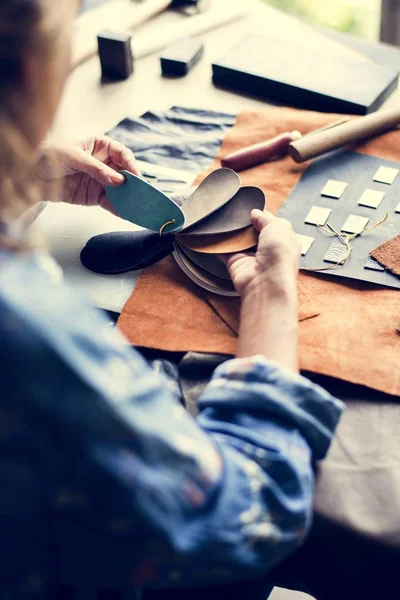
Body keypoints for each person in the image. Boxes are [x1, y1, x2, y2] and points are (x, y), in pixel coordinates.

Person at [0, 1, 343, 598]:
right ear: (34, 71)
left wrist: (14, 171)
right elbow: (250, 519)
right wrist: (271, 307)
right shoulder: (28, 334)